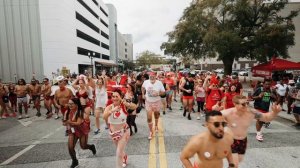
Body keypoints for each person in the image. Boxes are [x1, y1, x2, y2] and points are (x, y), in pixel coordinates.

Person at [220, 95, 282, 167]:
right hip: (230, 140)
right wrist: (214, 110)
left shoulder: (251, 113)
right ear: (235, 104)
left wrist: (274, 113)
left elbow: (266, 118)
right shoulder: (226, 113)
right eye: (243, 104)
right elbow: (211, 119)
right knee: (235, 164)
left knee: (237, 162)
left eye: (247, 103)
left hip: (243, 141)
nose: (246, 106)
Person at [103, 89, 137, 168]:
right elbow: (104, 117)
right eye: (113, 96)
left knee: (118, 153)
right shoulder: (109, 107)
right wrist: (112, 110)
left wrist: (125, 102)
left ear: (121, 97)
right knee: (120, 150)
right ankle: (124, 156)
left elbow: (135, 106)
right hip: (113, 133)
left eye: (117, 96)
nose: (115, 98)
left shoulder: (124, 105)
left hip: (124, 132)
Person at [63, 98, 96, 168]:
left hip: (82, 130)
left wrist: (69, 122)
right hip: (72, 131)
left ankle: (91, 147)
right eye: (69, 103)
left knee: (83, 146)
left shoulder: (80, 112)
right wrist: (65, 123)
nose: (70, 105)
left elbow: (78, 123)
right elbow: (64, 122)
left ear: (76, 105)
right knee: (70, 147)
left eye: (72, 104)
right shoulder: (67, 112)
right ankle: (75, 161)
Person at [142, 72, 165, 139]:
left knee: (156, 114)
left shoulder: (159, 83)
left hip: (157, 102)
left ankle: (156, 125)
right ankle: (151, 131)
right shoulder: (146, 82)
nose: (151, 77)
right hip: (148, 102)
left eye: (153, 76)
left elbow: (163, 92)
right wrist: (143, 94)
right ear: (149, 76)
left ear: (155, 76)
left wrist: (158, 93)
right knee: (149, 118)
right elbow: (142, 88)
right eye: (150, 76)